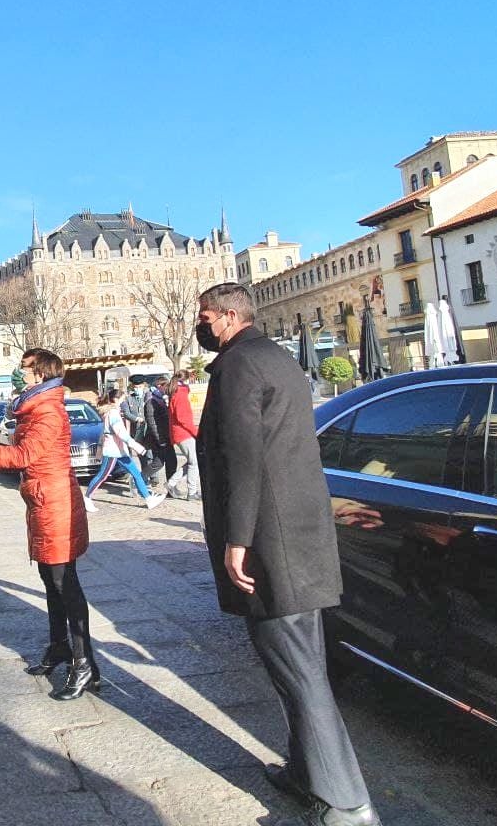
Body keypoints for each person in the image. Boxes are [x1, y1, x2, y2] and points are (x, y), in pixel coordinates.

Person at [195, 282, 380, 826]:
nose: (200, 325)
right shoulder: (274, 357)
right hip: (295, 533)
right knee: (301, 663)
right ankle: (306, 773)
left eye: (204, 316)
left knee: (299, 672)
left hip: (271, 541)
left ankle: (347, 803)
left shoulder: (238, 366)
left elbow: (245, 459)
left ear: (228, 316)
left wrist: (238, 539)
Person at [0, 348, 99, 700]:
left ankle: (84, 663)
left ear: (40, 374)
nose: (18, 373)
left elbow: (23, 456)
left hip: (55, 502)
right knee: (49, 579)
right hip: (42, 500)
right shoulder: (32, 407)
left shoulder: (48, 412)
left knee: (64, 581)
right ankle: (60, 649)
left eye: (23, 369)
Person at [85, 388, 163, 510]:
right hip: (112, 451)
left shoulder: (112, 412)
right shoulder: (113, 413)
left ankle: (148, 499)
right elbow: (121, 433)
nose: (123, 401)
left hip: (119, 450)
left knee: (136, 473)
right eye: (122, 399)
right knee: (102, 475)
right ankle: (87, 498)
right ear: (116, 399)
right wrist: (137, 446)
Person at [166, 374, 200, 501]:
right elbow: (183, 419)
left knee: (192, 461)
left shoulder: (176, 393)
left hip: (179, 433)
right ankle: (192, 492)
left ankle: (171, 483)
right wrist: (196, 433)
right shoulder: (181, 394)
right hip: (183, 433)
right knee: (194, 463)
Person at [144, 375, 175, 489]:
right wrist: (160, 438)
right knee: (158, 463)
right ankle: (139, 478)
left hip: (166, 436)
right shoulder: (151, 401)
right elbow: (151, 422)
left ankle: (171, 488)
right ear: (159, 386)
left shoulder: (161, 399)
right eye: (166, 386)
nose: (167, 389)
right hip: (158, 438)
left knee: (171, 461)